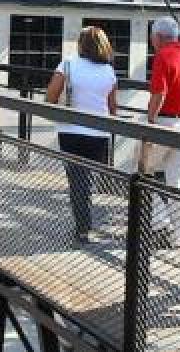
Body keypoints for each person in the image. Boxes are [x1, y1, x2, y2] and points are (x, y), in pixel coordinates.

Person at [46, 26, 118, 245]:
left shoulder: (68, 64)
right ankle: (84, 224)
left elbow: (50, 97)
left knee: (77, 180)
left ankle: (82, 227)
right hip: (99, 133)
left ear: (81, 44)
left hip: (71, 131)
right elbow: (113, 108)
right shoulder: (109, 70)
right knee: (87, 180)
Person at [143, 16, 180, 248]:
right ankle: (177, 235)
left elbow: (159, 94)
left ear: (157, 38)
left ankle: (159, 220)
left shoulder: (162, 56)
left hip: (165, 122)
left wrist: (150, 121)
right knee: (178, 181)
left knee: (143, 171)